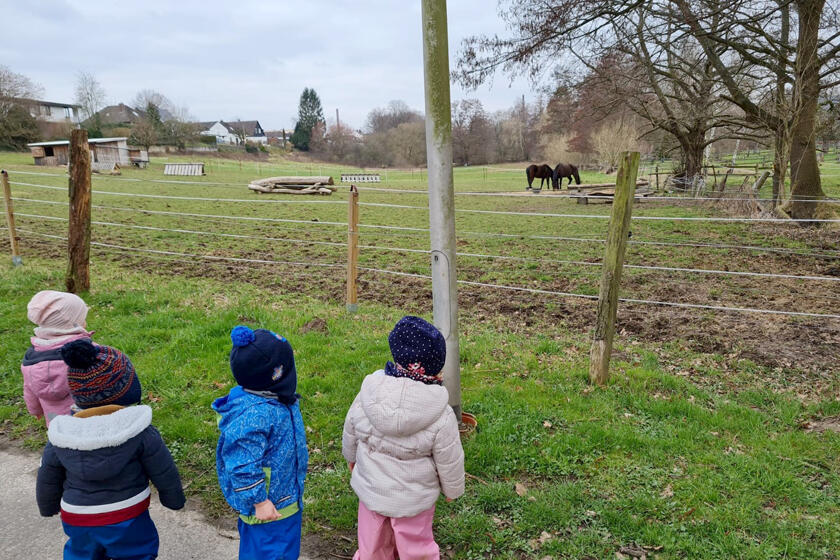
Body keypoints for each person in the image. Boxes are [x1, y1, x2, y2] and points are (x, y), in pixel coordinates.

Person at [35, 339, 185, 560]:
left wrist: (47, 505)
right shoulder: (139, 430)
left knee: (81, 553)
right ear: (127, 389)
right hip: (127, 513)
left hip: (77, 515)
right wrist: (174, 499)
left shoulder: (61, 434)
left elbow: (47, 475)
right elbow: (163, 469)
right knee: (136, 552)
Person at [342, 316, 465, 560]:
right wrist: (452, 489)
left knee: (372, 544)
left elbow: (351, 428)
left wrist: (351, 456)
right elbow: (449, 456)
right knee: (415, 546)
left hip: (372, 490)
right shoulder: (440, 412)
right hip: (413, 500)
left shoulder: (369, 393)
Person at [213, 325, 309, 560]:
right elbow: (241, 464)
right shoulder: (254, 416)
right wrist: (259, 501)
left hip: (283, 498)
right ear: (277, 375)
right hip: (269, 507)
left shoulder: (274, 399)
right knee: (271, 553)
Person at [22, 290, 95, 425]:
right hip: (88, 418)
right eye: (82, 317)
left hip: (56, 423)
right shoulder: (88, 352)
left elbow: (29, 389)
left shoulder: (31, 359)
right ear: (74, 323)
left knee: (63, 443)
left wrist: (35, 410)